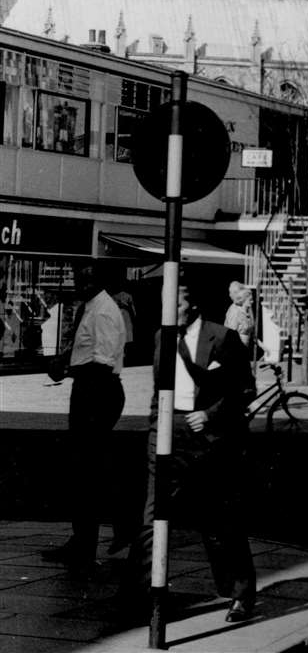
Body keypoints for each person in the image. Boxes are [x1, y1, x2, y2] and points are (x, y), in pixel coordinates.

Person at [123, 285, 257, 623]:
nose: (169, 308)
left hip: (208, 436)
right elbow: (157, 388)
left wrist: (211, 414)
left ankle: (240, 593)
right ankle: (146, 591)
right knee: (153, 514)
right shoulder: (161, 336)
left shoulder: (222, 337)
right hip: (168, 430)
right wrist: (156, 428)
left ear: (193, 304)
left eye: (177, 302)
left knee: (221, 515)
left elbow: (245, 388)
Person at [41, 265, 133, 570]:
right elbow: (84, 350)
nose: (81, 283)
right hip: (87, 390)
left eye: (88, 279)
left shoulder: (105, 311)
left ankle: (116, 529)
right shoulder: (89, 307)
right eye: (80, 278)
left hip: (98, 392)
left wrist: (67, 369)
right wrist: (65, 362)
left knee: (90, 469)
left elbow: (103, 362)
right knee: (83, 470)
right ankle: (83, 539)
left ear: (100, 281)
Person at [223, 282, 256, 354]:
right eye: (250, 300)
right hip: (235, 349)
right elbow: (231, 334)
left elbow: (252, 331)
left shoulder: (248, 309)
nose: (230, 295)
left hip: (244, 348)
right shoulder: (234, 311)